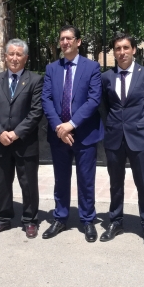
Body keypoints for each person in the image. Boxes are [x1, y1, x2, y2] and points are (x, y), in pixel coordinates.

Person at [41, 25, 104, 242]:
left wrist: (72, 124)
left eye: (69, 38)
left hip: (85, 134)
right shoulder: (52, 69)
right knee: (61, 179)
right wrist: (60, 127)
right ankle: (60, 217)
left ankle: (87, 220)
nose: (65, 42)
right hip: (59, 135)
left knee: (86, 180)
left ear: (78, 41)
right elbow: (46, 99)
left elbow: (94, 100)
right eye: (62, 39)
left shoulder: (92, 67)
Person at [100, 33, 144, 248]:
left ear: (134, 50)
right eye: (117, 48)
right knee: (115, 184)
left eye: (126, 48)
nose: (122, 52)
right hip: (115, 138)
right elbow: (104, 108)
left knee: (143, 184)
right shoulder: (106, 77)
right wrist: (114, 125)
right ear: (113, 52)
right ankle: (115, 222)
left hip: (139, 137)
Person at [0, 39, 44, 239]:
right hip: (0, 142)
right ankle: (3, 218)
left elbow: (36, 112)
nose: (15, 58)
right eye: (11, 54)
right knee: (2, 182)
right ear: (5, 56)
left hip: (25, 142)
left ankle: (30, 220)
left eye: (19, 54)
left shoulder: (35, 80)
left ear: (25, 58)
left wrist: (16, 133)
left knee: (28, 183)